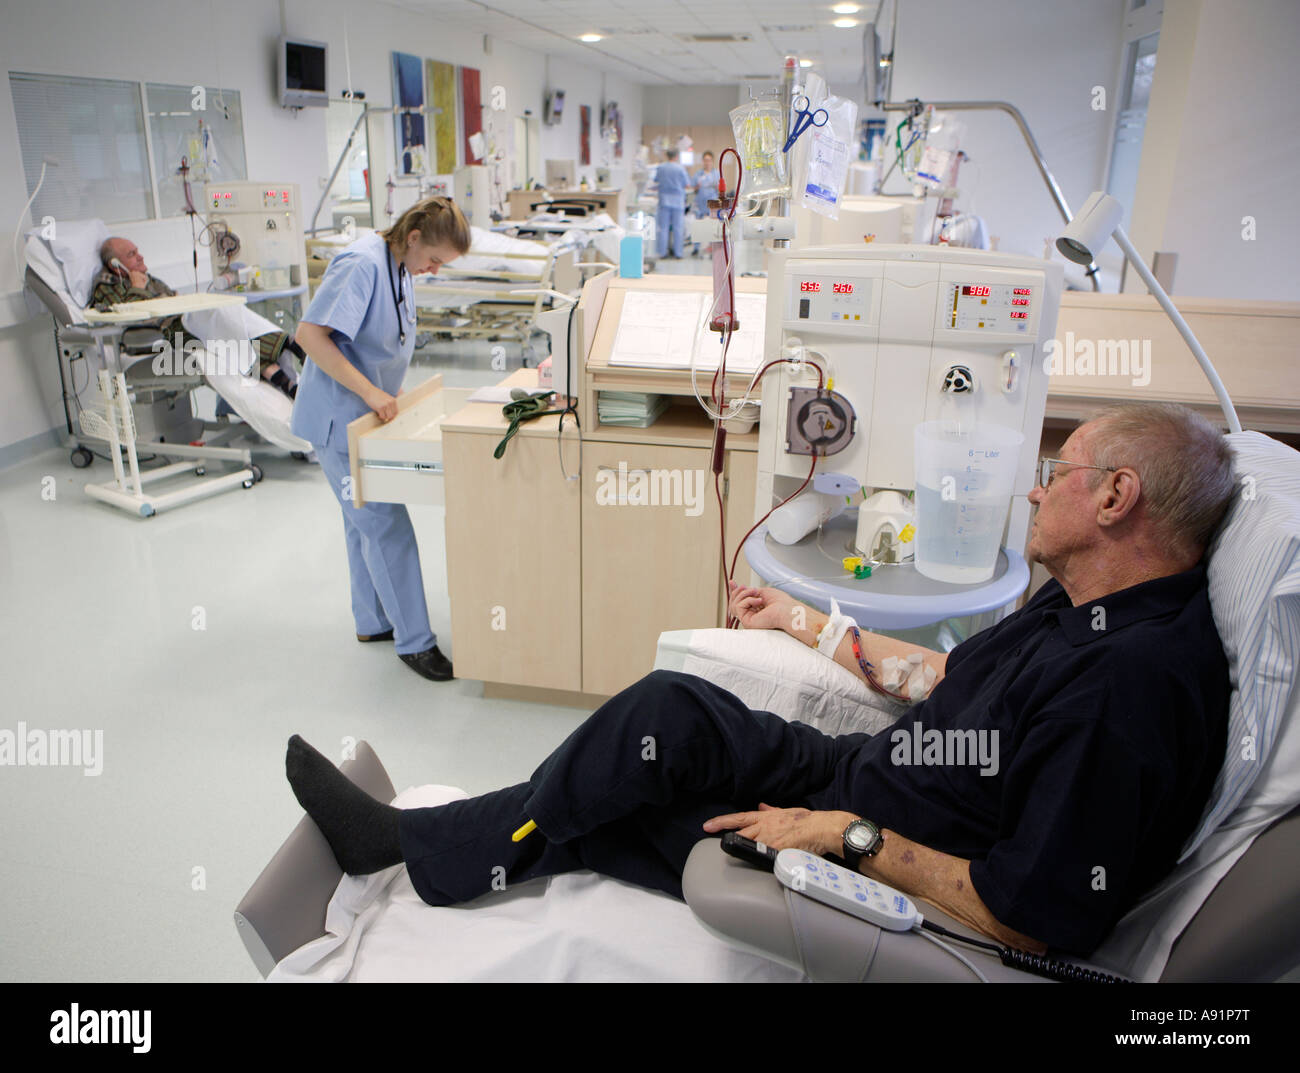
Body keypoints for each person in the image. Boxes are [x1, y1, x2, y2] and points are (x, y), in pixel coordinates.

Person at [285, 402, 1237, 957]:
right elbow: (953, 680)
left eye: (1056, 471)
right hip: (853, 773)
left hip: (867, 842)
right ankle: (451, 836)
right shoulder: (1084, 604)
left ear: (1116, 497)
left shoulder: (1131, 689)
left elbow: (1034, 914)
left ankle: (414, 849)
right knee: (666, 716)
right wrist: (810, 624)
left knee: (620, 802)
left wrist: (844, 834)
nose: (1033, 487)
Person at [290, 197, 471, 682]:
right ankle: (416, 643)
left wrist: (388, 391)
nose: (432, 271)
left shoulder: (397, 266)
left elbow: (378, 340)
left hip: (363, 417)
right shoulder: (362, 264)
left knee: (361, 521)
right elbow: (309, 335)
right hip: (338, 419)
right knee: (386, 525)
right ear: (412, 237)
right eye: (432, 260)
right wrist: (371, 390)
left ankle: (372, 621)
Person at [90, 238, 302, 398]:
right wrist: (137, 288)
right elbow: (131, 317)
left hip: (184, 321)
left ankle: (280, 375)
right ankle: (288, 346)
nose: (140, 257)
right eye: (131, 254)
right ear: (115, 264)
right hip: (167, 334)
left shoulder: (148, 278)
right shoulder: (107, 287)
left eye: (137, 251)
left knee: (227, 312)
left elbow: (171, 296)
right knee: (219, 319)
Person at [653, 149, 689, 260]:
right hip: (678, 201)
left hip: (664, 200)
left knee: (663, 228)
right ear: (677, 156)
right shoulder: (680, 168)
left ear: (666, 155)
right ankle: (678, 253)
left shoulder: (661, 168)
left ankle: (662, 253)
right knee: (678, 227)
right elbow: (687, 184)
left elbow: (656, 180)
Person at [690, 151, 720, 256]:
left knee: (713, 226)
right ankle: (696, 248)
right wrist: (696, 187)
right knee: (698, 226)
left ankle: (712, 248)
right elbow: (693, 187)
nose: (707, 162)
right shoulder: (698, 174)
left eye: (709, 160)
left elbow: (720, 190)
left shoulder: (717, 174)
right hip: (700, 203)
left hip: (712, 203)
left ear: (712, 161)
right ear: (703, 161)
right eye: (705, 160)